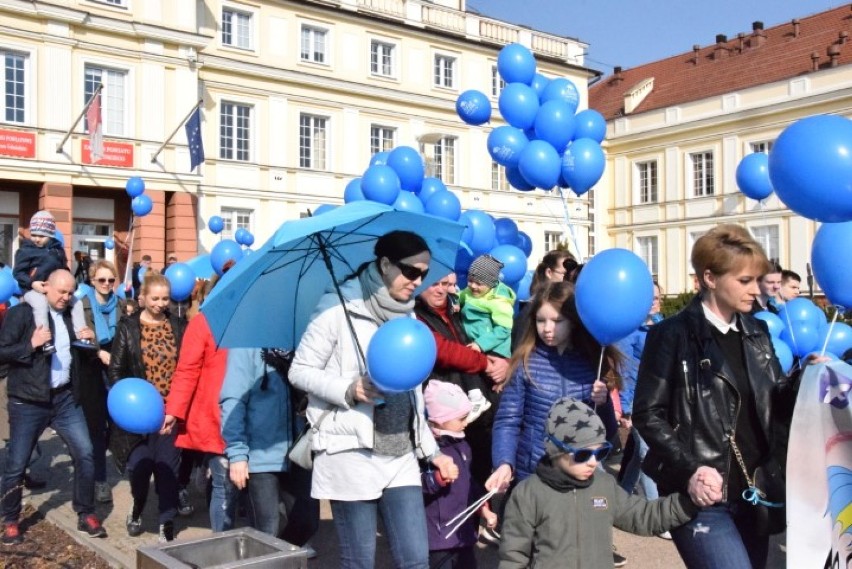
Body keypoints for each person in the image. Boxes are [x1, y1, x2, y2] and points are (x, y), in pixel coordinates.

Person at [633, 224, 808, 569]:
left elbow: (776, 399)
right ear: (710, 278)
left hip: (754, 490)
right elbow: (648, 413)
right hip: (701, 493)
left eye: (757, 280)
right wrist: (689, 470)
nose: (755, 290)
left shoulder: (756, 330)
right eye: (744, 281)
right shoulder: (671, 335)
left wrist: (809, 378)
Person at [289, 230, 457, 569]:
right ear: (384, 264)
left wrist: (431, 451)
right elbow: (300, 371)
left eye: (424, 275)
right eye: (411, 272)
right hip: (350, 452)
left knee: (415, 560)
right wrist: (349, 389)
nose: (418, 282)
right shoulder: (338, 306)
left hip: (401, 453)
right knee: (360, 561)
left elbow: (413, 394)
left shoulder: (408, 313)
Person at [487, 281, 623, 564]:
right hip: (532, 476)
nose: (547, 329)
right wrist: (503, 462)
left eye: (557, 320)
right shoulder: (525, 362)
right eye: (540, 320)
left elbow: (607, 433)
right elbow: (508, 421)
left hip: (578, 479)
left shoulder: (592, 365)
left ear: (573, 321)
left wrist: (604, 404)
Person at [499, 397, 699, 569]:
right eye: (583, 454)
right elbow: (513, 556)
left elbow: (643, 516)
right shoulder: (528, 494)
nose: (593, 461)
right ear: (555, 450)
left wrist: (688, 502)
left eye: (600, 452)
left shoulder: (604, 485)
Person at [0, 269, 107, 545]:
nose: (66, 297)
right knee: (17, 463)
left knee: (85, 454)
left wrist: (88, 340)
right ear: (45, 287)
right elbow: (2, 351)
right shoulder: (21, 314)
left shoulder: (73, 314)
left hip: (65, 399)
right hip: (28, 401)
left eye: (70, 292)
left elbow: (79, 354)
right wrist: (31, 344)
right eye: (61, 291)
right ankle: (11, 519)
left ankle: (86, 512)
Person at [108, 273, 186, 543]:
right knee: (140, 470)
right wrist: (128, 404)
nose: (161, 303)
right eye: (155, 298)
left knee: (167, 468)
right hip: (136, 414)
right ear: (144, 297)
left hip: (169, 412)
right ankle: (138, 507)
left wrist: (175, 409)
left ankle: (167, 521)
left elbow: (185, 370)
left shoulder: (178, 325)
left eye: (165, 298)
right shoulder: (128, 327)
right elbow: (115, 370)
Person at [220, 347, 319, 546]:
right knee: (266, 532)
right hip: (259, 455)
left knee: (308, 521)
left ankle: (275, 559)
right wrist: (237, 453)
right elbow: (233, 400)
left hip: (298, 453)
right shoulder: (247, 346)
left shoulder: (300, 343)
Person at [162, 276, 234, 531]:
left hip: (249, 417)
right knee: (223, 485)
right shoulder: (203, 323)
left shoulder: (254, 321)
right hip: (215, 417)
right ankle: (222, 544)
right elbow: (187, 370)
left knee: (238, 487)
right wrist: (174, 411)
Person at [422, 380, 497, 568]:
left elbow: (470, 485)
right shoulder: (427, 449)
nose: (467, 422)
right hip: (438, 538)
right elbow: (417, 485)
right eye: (461, 418)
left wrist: (484, 509)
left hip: (463, 535)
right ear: (439, 419)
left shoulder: (463, 445)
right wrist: (438, 479)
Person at [78, 260, 127, 504]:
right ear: (92, 280)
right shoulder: (83, 305)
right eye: (101, 280)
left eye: (111, 280)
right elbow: (77, 338)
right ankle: (100, 480)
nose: (107, 285)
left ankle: (117, 458)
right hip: (91, 369)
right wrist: (98, 351)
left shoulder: (121, 304)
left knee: (117, 423)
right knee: (97, 427)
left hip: (115, 368)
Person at [615, 283, 665, 513]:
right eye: (650, 297)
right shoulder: (629, 331)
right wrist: (625, 407)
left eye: (658, 297)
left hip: (658, 399)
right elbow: (623, 370)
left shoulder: (662, 325)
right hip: (637, 401)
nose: (655, 301)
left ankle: (621, 496)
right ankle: (655, 512)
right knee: (647, 453)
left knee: (639, 454)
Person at [13, 211, 93, 354]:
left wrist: (70, 282)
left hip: (54, 290)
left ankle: (81, 335)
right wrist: (32, 283)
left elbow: (64, 268)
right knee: (41, 304)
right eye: (34, 235)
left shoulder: (57, 250)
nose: (37, 239)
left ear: (50, 235)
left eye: (41, 236)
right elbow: (18, 273)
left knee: (77, 303)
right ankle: (45, 340)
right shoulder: (26, 251)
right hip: (33, 290)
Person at [458, 254, 516, 358]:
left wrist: (481, 344)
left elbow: (504, 329)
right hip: (474, 342)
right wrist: (454, 302)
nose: (473, 286)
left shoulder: (499, 301)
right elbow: (458, 296)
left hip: (494, 349)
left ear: (491, 284)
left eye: (479, 283)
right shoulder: (468, 292)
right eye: (470, 281)